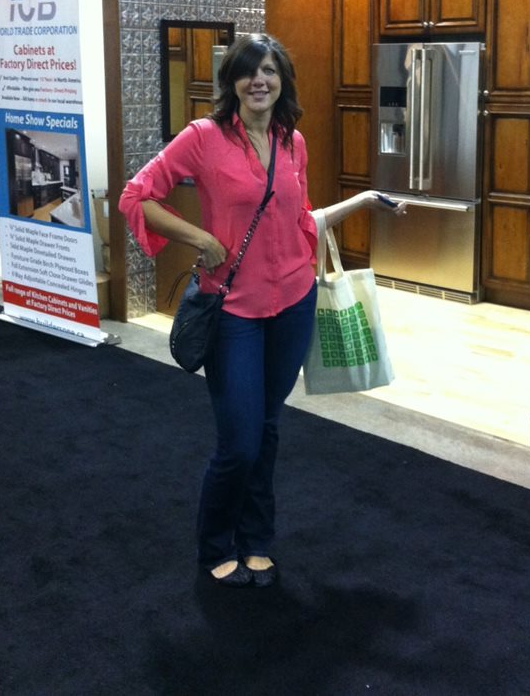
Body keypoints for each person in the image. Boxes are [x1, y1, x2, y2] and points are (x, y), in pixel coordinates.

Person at [119, 32, 404, 587]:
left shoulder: (292, 141)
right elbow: (137, 195)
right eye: (249, 71)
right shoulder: (203, 137)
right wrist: (199, 237)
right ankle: (213, 545)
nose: (260, 80)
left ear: (282, 81)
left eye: (270, 71)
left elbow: (300, 220)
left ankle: (256, 539)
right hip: (234, 313)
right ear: (232, 81)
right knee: (239, 441)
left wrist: (366, 200)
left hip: (293, 303)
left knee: (268, 429)